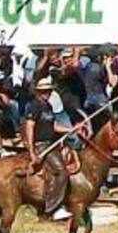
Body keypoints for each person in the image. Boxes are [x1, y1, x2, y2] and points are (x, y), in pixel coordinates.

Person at [23, 77, 69, 215]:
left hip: (50, 143)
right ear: (38, 92)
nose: (46, 94)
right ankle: (52, 207)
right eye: (43, 91)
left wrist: (70, 129)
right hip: (41, 145)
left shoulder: (48, 106)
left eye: (48, 91)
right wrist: (32, 151)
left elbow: (53, 126)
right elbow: (29, 127)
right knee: (62, 172)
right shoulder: (34, 106)